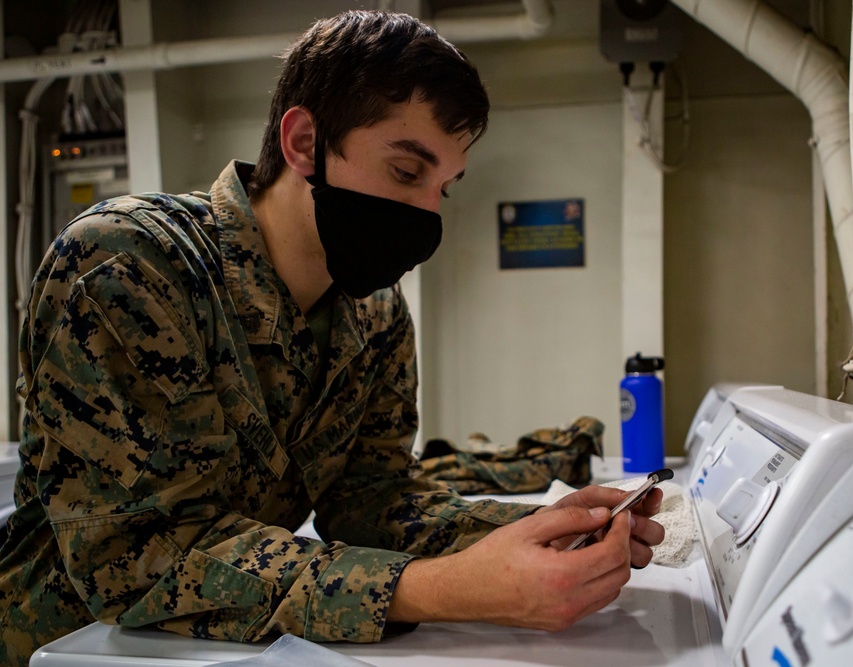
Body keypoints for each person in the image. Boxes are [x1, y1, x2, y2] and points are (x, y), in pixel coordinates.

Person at [0, 10, 664, 666]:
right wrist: (442, 588)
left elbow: (371, 500)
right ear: (303, 143)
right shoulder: (130, 265)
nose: (428, 215)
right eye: (407, 172)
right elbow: (141, 560)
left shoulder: (372, 313)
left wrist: (543, 529)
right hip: (66, 642)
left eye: (444, 189)